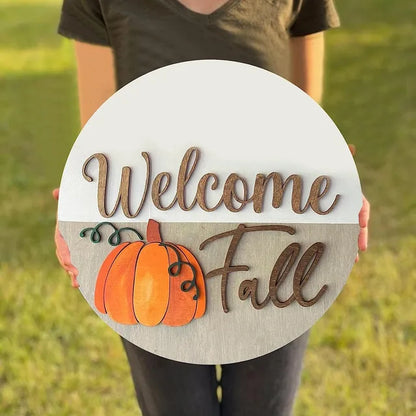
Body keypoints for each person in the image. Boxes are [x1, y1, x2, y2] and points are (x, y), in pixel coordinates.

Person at [54, 1, 370, 415]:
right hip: (149, 255)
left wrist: (335, 191)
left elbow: (307, 124)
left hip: (276, 253)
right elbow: (99, 138)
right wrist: (79, 212)